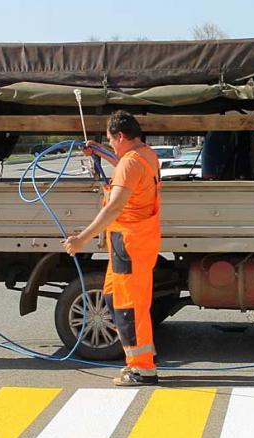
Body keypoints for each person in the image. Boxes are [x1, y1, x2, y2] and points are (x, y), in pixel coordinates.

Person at [63, 111, 162, 386]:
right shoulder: (145, 154)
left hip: (129, 243)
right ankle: (143, 356)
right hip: (135, 241)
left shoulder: (131, 164)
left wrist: (81, 238)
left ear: (120, 136)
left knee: (129, 306)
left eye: (111, 140)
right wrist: (99, 150)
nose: (112, 145)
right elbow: (123, 163)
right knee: (111, 298)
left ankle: (142, 369)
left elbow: (115, 206)